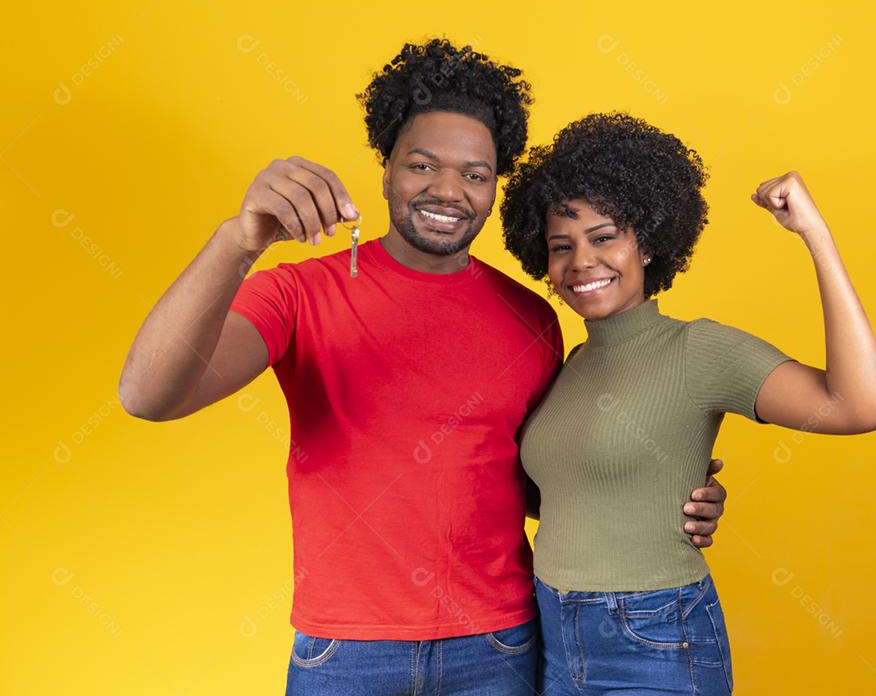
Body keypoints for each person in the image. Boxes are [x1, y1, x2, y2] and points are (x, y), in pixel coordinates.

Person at [118, 41, 726, 695]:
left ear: (495, 189)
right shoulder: (297, 293)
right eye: (422, 165)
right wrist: (238, 241)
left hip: (500, 646)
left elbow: (539, 482)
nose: (448, 191)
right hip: (346, 653)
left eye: (475, 174)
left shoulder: (532, 318)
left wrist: (662, 490)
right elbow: (148, 395)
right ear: (386, 170)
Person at [500, 112, 876, 695]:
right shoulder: (572, 362)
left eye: (604, 237)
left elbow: (861, 407)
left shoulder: (698, 349)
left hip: (653, 636)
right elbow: (567, 495)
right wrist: (669, 493)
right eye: (562, 246)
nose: (580, 261)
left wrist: (816, 235)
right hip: (555, 633)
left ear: (648, 243)